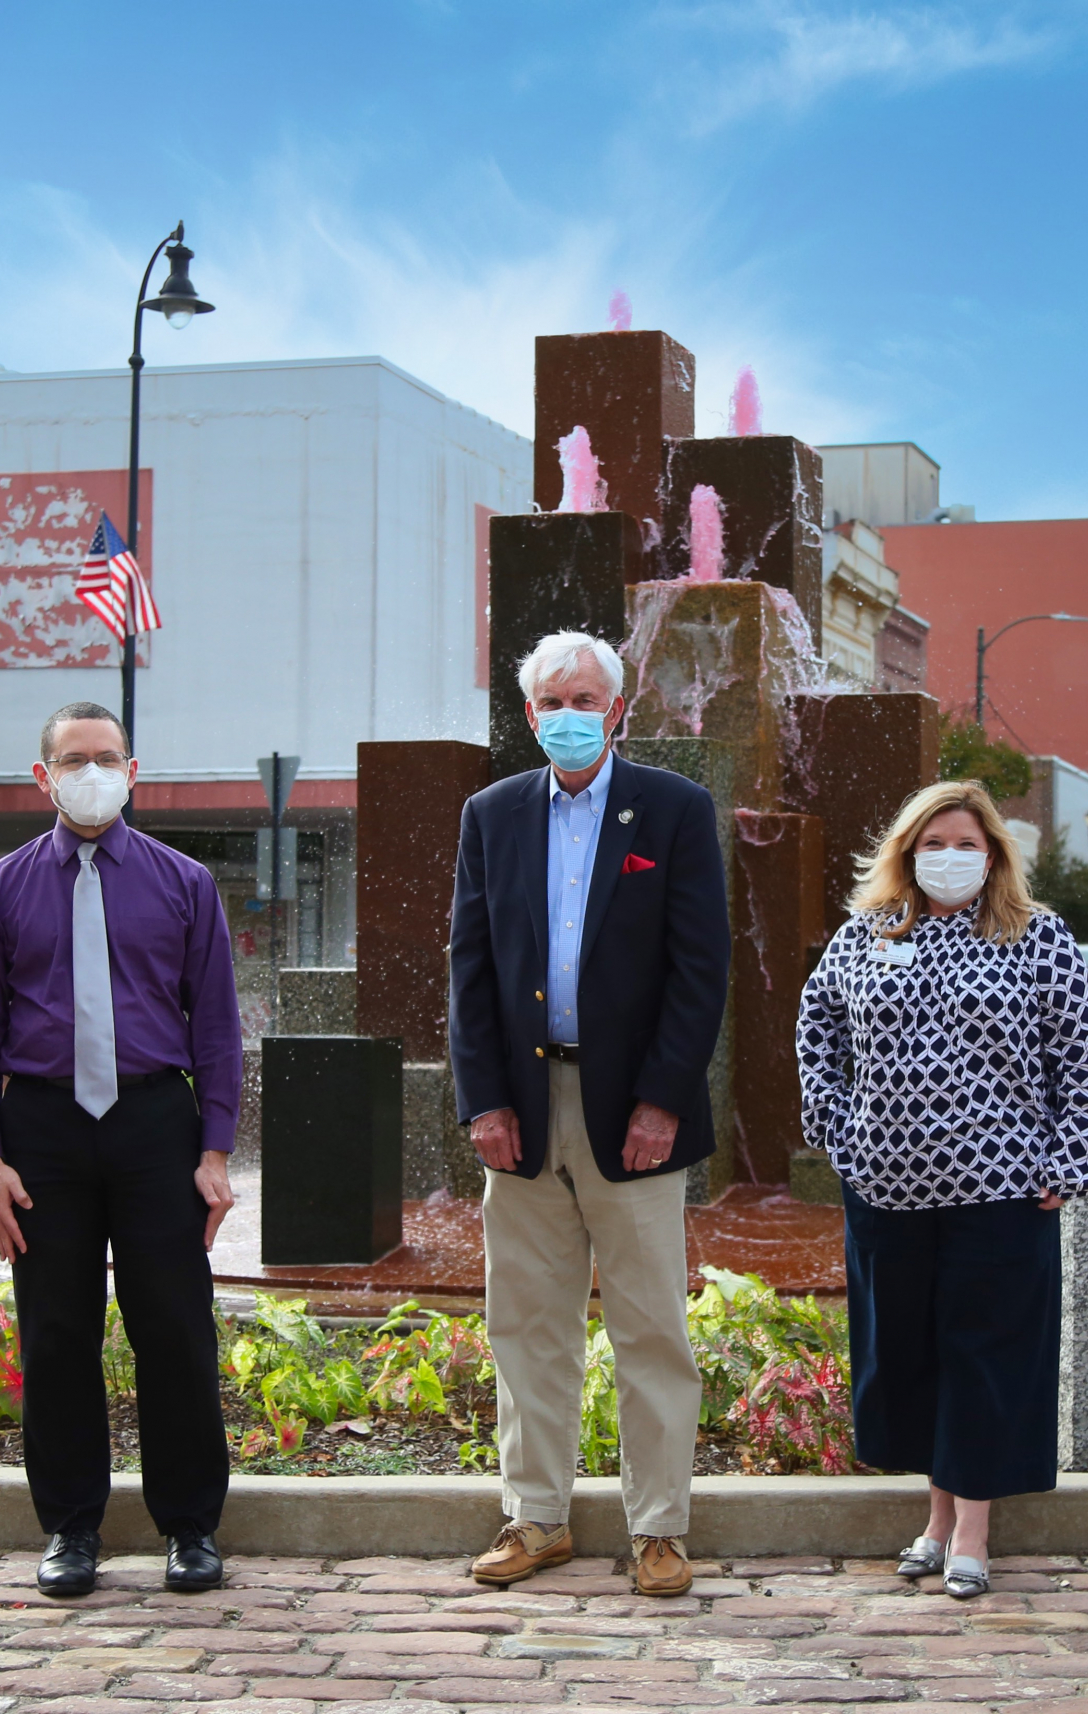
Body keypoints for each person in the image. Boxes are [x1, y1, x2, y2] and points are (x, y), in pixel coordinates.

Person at [448, 631, 730, 1598]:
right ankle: (536, 1518)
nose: (569, 713)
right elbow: (470, 970)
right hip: (522, 1111)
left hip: (635, 1111)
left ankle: (658, 1530)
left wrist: (661, 1098)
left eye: (586, 698)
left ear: (618, 709)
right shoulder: (491, 815)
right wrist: (481, 1100)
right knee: (527, 1326)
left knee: (652, 1327)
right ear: (529, 714)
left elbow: (702, 971)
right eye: (551, 699)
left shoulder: (676, 810)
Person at [0, 701, 243, 1598]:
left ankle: (189, 1526)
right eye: (73, 760)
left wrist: (216, 1152)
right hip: (43, 1132)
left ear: (133, 769)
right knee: (57, 1331)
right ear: (43, 777)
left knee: (176, 1329)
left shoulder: (185, 883)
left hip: (157, 1125)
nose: (91, 771)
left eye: (106, 757)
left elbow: (218, 1029)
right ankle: (72, 1527)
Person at [796, 779, 1088, 1600]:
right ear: (905, 853)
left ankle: (971, 1529)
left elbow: (1080, 1057)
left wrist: (1071, 1156)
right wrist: (833, 1123)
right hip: (887, 1189)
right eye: (932, 844)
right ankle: (933, 1521)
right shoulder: (865, 937)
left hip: (1002, 1190)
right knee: (914, 1357)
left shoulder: (1038, 937)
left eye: (966, 843)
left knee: (988, 1357)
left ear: (995, 854)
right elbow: (817, 1024)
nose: (949, 858)